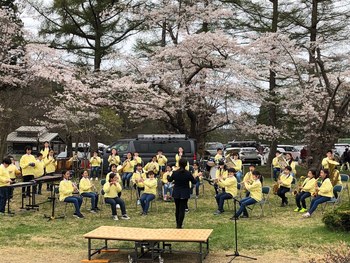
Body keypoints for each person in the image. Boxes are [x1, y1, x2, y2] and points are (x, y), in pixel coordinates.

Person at [168, 158, 197, 229]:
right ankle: (179, 225)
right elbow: (194, 182)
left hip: (176, 192)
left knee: (177, 209)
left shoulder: (175, 172)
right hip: (184, 192)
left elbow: (170, 179)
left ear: (179, 164)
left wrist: (168, 175)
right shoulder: (188, 173)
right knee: (182, 209)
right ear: (186, 165)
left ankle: (177, 223)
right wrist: (196, 176)